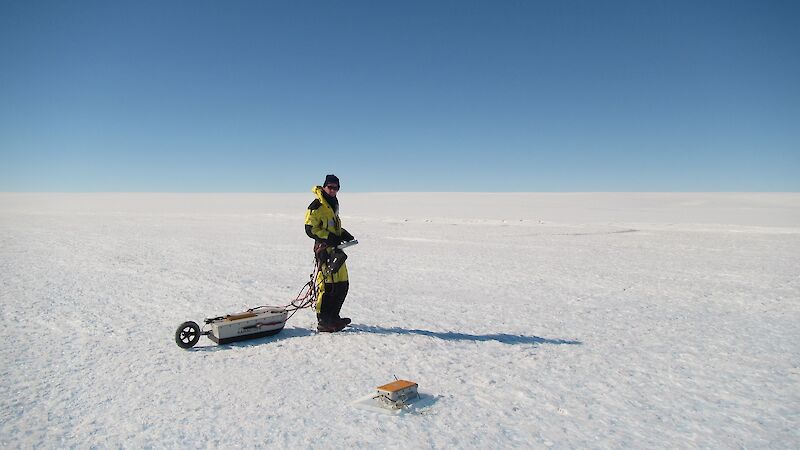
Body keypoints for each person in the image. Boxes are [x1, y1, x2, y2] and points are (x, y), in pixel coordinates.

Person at [304, 174, 356, 332]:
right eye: (330, 187)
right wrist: (329, 237)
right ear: (324, 186)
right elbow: (310, 229)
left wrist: (343, 234)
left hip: (336, 251)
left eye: (336, 188)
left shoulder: (332, 203)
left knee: (342, 285)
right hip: (324, 252)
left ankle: (334, 317)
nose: (333, 190)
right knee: (327, 286)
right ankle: (324, 321)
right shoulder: (317, 205)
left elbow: (332, 226)